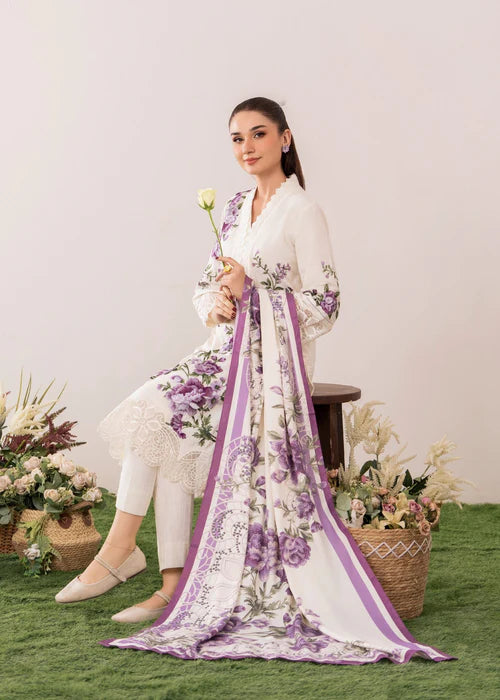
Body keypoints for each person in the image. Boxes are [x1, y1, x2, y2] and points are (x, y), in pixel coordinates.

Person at [55, 97, 457, 665]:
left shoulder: (303, 211)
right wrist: (217, 303)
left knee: (155, 413)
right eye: (237, 138)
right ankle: (163, 576)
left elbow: (326, 304)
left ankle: (130, 559)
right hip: (223, 351)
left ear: (285, 139)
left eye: (259, 134)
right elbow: (206, 284)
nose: (247, 147)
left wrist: (254, 296)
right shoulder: (234, 207)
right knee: (154, 420)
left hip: (273, 364)